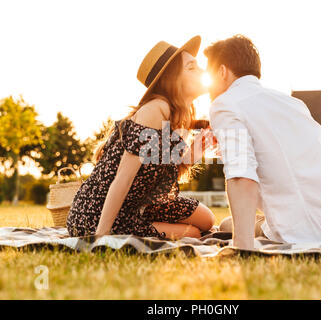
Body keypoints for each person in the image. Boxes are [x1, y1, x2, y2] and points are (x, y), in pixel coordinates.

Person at [205, 35, 321, 249]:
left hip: (300, 231)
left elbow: (241, 174)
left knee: (226, 224)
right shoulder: (292, 103)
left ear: (222, 72)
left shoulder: (225, 104)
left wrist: (241, 247)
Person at [66, 35, 216, 240]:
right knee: (194, 233)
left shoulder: (177, 114)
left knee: (207, 219)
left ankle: (148, 224)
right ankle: (127, 227)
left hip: (139, 203)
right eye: (191, 68)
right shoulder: (155, 110)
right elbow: (123, 179)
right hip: (98, 211)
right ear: (171, 80)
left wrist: (203, 144)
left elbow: (170, 169)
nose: (202, 72)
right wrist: (101, 237)